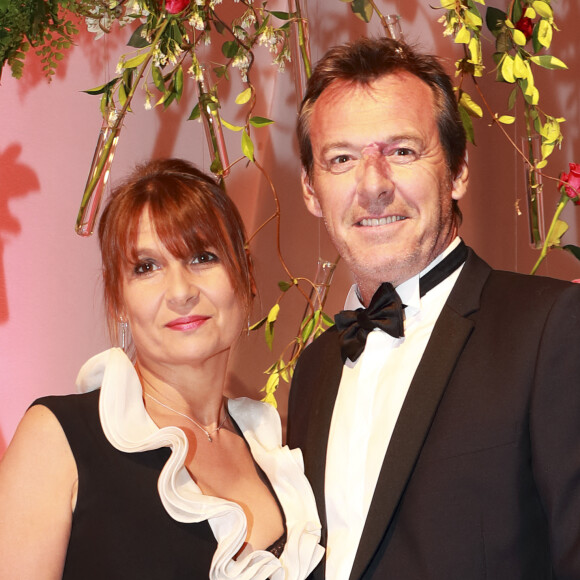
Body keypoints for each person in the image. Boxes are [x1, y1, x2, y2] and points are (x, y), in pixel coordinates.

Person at [287, 37, 580, 579]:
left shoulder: (552, 329)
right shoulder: (312, 370)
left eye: (401, 151)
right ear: (310, 190)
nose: (372, 184)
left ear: (459, 170)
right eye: (342, 159)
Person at [0, 158, 323, 579]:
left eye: (203, 257)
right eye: (146, 267)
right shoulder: (58, 437)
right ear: (118, 298)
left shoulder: (273, 447)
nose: (180, 292)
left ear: (247, 276)